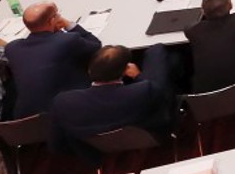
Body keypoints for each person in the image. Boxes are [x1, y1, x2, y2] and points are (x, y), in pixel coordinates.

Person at [47, 45, 176, 152]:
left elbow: (56, 144)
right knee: (162, 56)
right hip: (151, 137)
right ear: (125, 71)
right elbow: (164, 104)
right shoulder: (144, 90)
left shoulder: (62, 102)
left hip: (96, 149)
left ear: (89, 70)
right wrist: (138, 77)